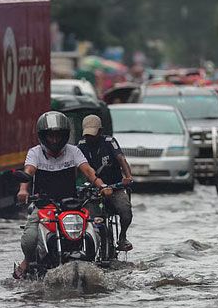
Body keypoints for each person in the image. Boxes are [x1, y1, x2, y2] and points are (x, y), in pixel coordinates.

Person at [15, 111, 113, 278]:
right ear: (43, 136)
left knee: (96, 227)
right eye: (51, 136)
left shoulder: (74, 151)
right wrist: (23, 190)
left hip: (71, 206)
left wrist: (102, 186)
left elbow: (88, 171)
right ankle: (26, 261)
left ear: (65, 136)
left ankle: (97, 261)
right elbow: (28, 171)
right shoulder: (35, 153)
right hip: (44, 206)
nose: (54, 140)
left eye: (58, 136)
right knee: (30, 239)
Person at [76, 114, 135, 252]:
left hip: (114, 187)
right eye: (87, 135)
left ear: (100, 131)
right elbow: (74, 166)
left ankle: (122, 238)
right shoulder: (81, 145)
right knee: (85, 215)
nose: (89, 138)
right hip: (92, 189)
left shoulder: (109, 142)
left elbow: (121, 159)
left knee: (126, 211)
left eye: (92, 134)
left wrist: (128, 177)